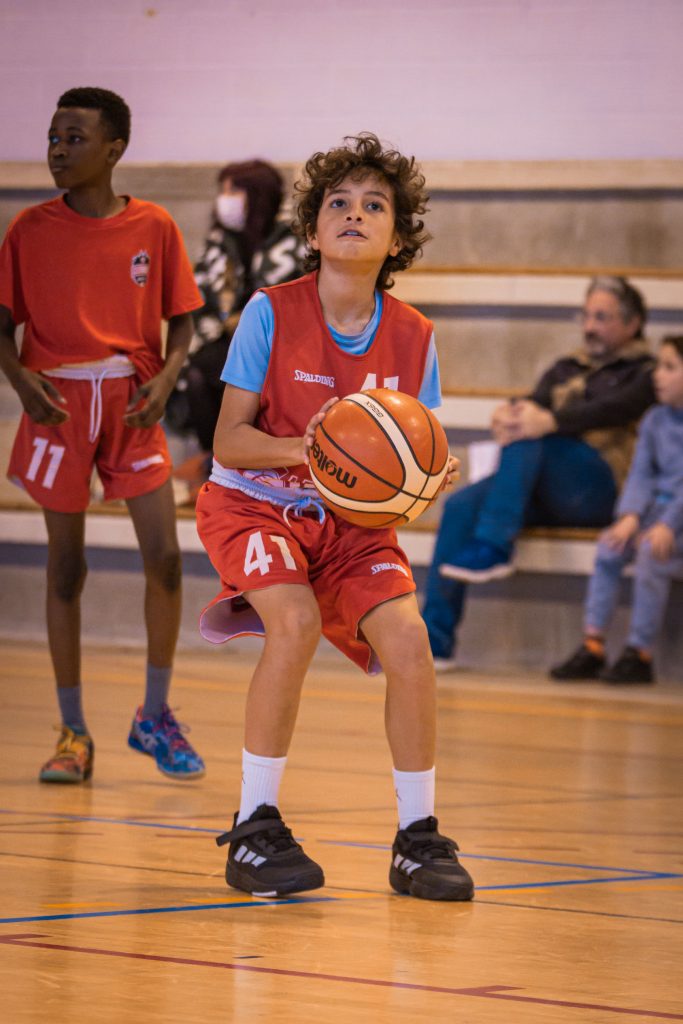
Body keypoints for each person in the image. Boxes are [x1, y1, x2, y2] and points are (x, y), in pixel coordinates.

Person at [195, 132, 474, 902]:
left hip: (349, 524)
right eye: (338, 203)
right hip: (254, 501)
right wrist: (312, 451)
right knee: (293, 623)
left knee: (410, 640)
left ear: (398, 238)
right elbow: (228, 439)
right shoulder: (269, 312)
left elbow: (410, 453)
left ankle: (416, 839)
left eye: (373, 205)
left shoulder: (414, 335)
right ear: (312, 232)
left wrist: (424, 478)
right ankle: (253, 827)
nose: (354, 213)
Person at [0, 87, 205, 783]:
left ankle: (154, 716)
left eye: (75, 138)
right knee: (66, 569)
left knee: (166, 559)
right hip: (57, 403)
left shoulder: (154, 226)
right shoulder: (29, 229)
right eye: (53, 137)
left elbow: (184, 320)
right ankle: (73, 733)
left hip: (132, 403)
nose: (58, 150)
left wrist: (168, 377)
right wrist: (21, 382)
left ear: (114, 150)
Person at [422, 276, 657, 669]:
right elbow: (532, 404)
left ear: (633, 324)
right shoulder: (566, 366)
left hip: (600, 490)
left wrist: (548, 421)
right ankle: (434, 643)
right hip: (545, 488)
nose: (590, 326)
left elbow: (610, 410)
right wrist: (509, 414)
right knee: (461, 506)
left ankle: (494, 544)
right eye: (586, 316)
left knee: (534, 436)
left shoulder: (646, 373)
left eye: (602, 318)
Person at [550, 335, 683, 685]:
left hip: (676, 523)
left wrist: (668, 525)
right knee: (610, 546)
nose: (657, 375)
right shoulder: (654, 419)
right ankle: (593, 644)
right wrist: (630, 516)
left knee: (652, 554)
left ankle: (640, 652)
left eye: (669, 367)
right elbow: (641, 473)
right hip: (653, 515)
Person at [169, 160, 305, 497]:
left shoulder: (291, 241)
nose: (224, 198)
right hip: (226, 340)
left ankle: (231, 462)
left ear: (258, 195)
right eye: (223, 190)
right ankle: (215, 461)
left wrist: (248, 324)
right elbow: (200, 301)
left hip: (277, 348)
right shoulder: (220, 241)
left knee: (224, 370)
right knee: (196, 371)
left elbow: (297, 305)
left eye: (233, 190)